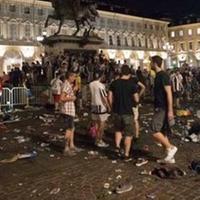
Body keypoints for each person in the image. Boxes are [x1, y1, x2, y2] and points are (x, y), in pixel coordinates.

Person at [108, 65, 139, 162]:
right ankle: (126, 154)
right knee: (128, 134)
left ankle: (117, 148)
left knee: (118, 130)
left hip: (117, 110)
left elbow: (109, 96)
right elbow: (136, 98)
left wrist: (111, 106)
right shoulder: (132, 84)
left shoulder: (114, 83)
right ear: (129, 74)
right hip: (128, 111)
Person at [150, 56, 178, 164]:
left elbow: (169, 93)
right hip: (159, 106)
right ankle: (169, 157)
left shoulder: (163, 76)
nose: (150, 65)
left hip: (162, 107)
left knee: (154, 129)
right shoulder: (158, 76)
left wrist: (170, 110)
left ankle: (171, 148)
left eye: (151, 62)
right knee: (162, 131)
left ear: (155, 63)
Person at [60, 71, 82, 156]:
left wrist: (74, 91)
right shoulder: (66, 85)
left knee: (72, 128)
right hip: (67, 111)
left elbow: (69, 94)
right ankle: (66, 148)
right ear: (69, 76)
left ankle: (72, 145)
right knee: (68, 129)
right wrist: (72, 98)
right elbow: (62, 98)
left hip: (70, 110)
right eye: (73, 77)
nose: (75, 78)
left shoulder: (69, 85)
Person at [89, 72, 110, 147]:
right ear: (101, 76)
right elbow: (104, 97)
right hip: (101, 106)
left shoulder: (91, 84)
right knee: (102, 124)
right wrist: (108, 106)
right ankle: (99, 140)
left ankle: (96, 140)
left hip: (93, 105)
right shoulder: (101, 86)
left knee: (96, 123)